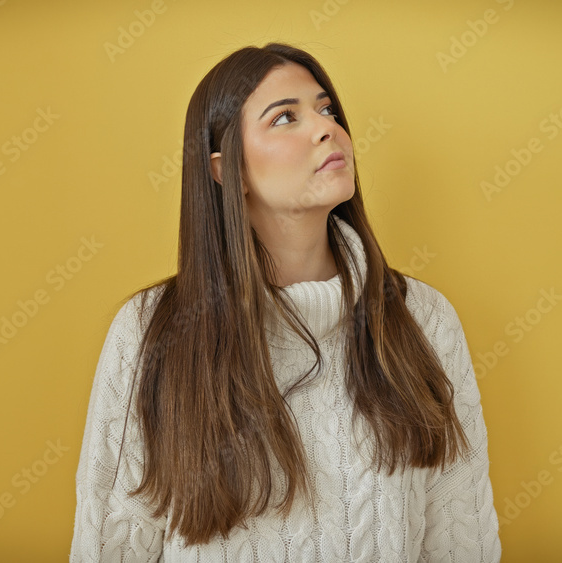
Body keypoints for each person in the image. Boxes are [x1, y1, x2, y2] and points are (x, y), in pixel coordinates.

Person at [70, 42, 501, 562]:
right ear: (226, 170)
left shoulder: (423, 319)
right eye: (284, 118)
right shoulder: (150, 331)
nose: (327, 128)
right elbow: (110, 545)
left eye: (326, 109)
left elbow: (462, 539)